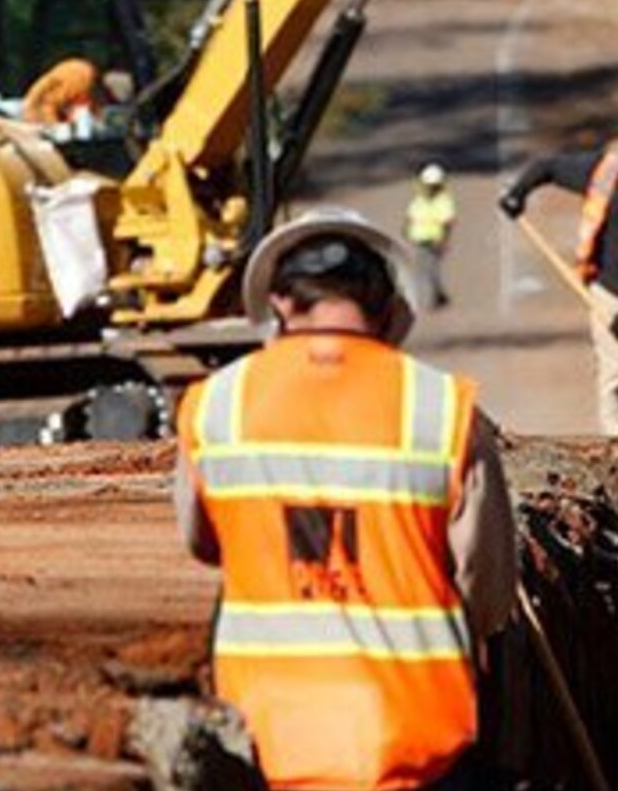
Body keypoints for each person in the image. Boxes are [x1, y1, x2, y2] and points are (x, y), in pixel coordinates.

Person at [174, 209, 516, 791]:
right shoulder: (441, 409)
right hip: (414, 738)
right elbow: (487, 592)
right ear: (388, 304)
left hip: (266, 734)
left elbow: (202, 542)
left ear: (279, 304)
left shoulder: (215, 405)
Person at [498, 111, 618, 438]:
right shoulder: (603, 173)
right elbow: (547, 167)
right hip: (607, 293)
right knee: (612, 376)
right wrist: (519, 192)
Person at [406, 162, 457, 308]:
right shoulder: (420, 198)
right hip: (419, 238)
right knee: (423, 269)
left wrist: (444, 241)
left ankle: (433, 298)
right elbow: (411, 214)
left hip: (435, 240)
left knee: (431, 269)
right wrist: (407, 228)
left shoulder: (443, 201)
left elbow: (447, 222)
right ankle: (436, 295)